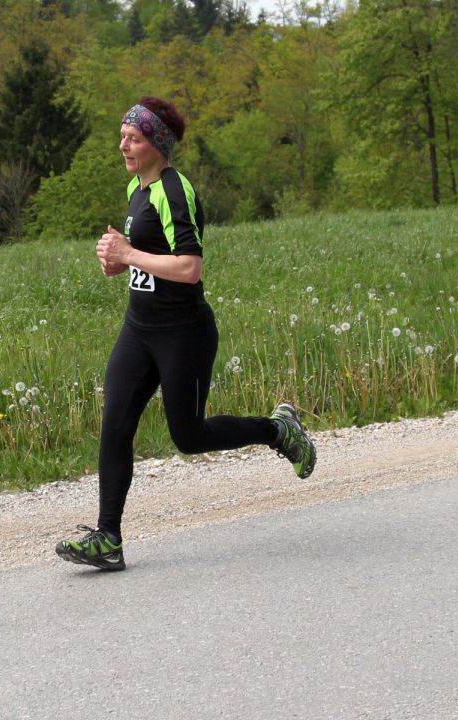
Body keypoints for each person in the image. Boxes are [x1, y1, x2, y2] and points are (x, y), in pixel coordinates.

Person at [55, 97, 316, 571]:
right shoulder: (138, 186)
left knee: (190, 437)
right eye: (122, 136)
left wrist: (130, 255)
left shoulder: (175, 192)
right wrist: (117, 262)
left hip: (183, 334)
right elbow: (150, 261)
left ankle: (279, 430)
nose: (123, 146)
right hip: (139, 330)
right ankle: (107, 538)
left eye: (132, 138)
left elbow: (190, 268)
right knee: (115, 422)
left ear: (157, 144)